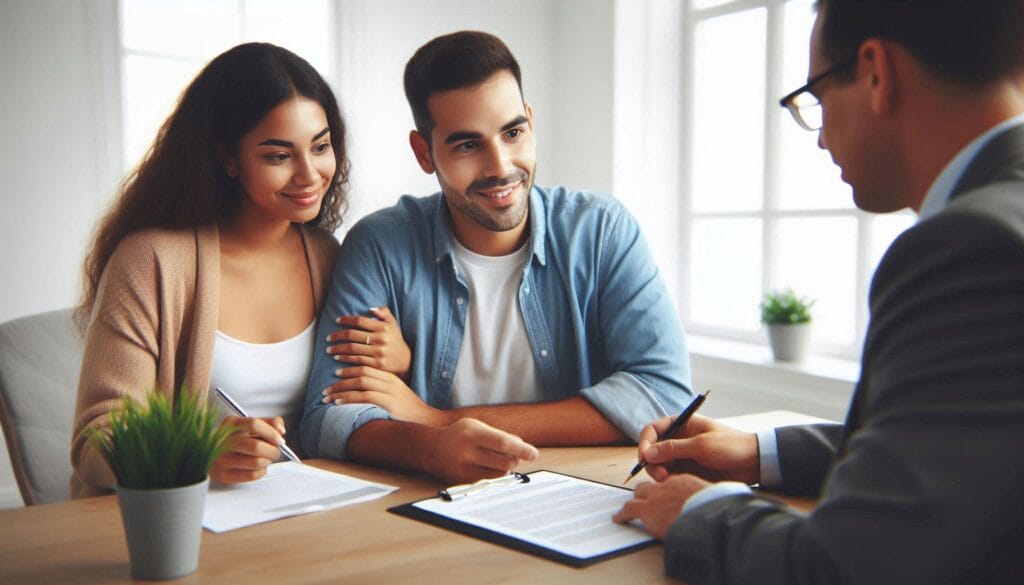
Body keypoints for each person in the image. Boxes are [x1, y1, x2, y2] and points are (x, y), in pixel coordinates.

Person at [612, 1, 1024, 583]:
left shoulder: (971, 246)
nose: (823, 137)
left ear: (878, 72)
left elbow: (847, 566)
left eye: (818, 96)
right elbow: (953, 447)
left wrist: (697, 509)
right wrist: (758, 452)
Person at [300, 31, 692, 483]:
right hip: (432, 503)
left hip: (584, 491)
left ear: (530, 120)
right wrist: (432, 449)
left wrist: (434, 420)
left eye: (512, 132)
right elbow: (326, 418)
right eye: (468, 145)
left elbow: (663, 395)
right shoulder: (380, 245)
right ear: (424, 152)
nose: (500, 166)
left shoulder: (601, 231)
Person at [70, 43, 410, 498]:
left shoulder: (329, 255)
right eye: (278, 155)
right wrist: (201, 452)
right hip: (182, 524)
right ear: (227, 158)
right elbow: (96, 440)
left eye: (321, 146)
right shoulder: (151, 260)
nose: (309, 174)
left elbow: (359, 411)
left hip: (307, 511)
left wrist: (400, 364)